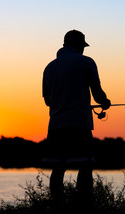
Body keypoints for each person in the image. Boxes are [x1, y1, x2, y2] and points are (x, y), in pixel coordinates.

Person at [42, 30, 111, 203]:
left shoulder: (49, 67)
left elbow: (48, 101)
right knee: (85, 165)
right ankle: (84, 204)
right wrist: (105, 102)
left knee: (58, 168)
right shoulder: (86, 62)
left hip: (56, 125)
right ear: (80, 46)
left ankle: (57, 205)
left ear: (65, 45)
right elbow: (97, 92)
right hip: (80, 124)